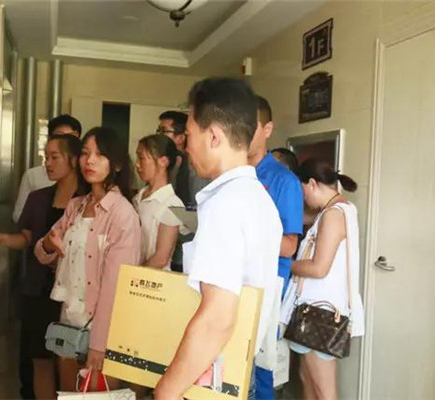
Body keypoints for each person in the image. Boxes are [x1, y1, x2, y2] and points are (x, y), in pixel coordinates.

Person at [154, 78, 282, 400]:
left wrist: (165, 391)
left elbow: (217, 318)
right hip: (237, 371)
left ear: (213, 136)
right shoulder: (258, 198)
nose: (186, 146)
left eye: (189, 135)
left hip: (214, 378)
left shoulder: (226, 203)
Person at [34, 127, 141, 392]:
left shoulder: (122, 213)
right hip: (70, 317)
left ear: (117, 164)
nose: (89, 161)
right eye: (84, 153)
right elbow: (42, 251)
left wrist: (99, 343)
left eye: (100, 155)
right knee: (69, 393)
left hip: (101, 325)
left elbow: (115, 285)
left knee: (96, 394)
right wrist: (48, 243)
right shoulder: (77, 206)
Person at [0, 134, 82, 399]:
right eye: (46, 157)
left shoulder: (86, 200)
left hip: (74, 293)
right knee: (40, 359)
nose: (48, 163)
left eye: (54, 157)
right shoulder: (38, 198)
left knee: (69, 361)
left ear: (73, 160)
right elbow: (26, 239)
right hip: (38, 289)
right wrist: (0, 238)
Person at [279, 159, 365, 400]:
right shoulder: (334, 210)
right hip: (314, 310)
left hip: (320, 314)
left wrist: (285, 265)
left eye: (302, 191)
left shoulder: (333, 215)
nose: (304, 199)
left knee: (324, 390)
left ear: (312, 184)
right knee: (307, 378)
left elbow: (319, 268)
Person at [249, 96, 304, 399]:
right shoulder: (230, 174)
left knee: (260, 372)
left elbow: (288, 246)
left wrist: (245, 232)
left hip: (266, 290)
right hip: (233, 283)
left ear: (267, 129)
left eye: (250, 127)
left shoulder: (284, 181)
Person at [157, 111, 210, 273]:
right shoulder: (163, 163)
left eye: (164, 131)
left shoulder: (195, 167)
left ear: (181, 138)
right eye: (158, 130)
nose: (158, 135)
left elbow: (197, 210)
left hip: (186, 250)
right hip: (161, 245)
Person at [13, 114, 82, 223]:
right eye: (47, 157)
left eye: (72, 137)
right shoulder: (34, 180)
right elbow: (21, 219)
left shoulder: (87, 191)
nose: (48, 163)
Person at [133, 134, 188, 270]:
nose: (137, 164)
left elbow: (161, 258)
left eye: (141, 158)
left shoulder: (172, 204)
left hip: (150, 279)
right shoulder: (138, 197)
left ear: (163, 161)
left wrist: (133, 276)